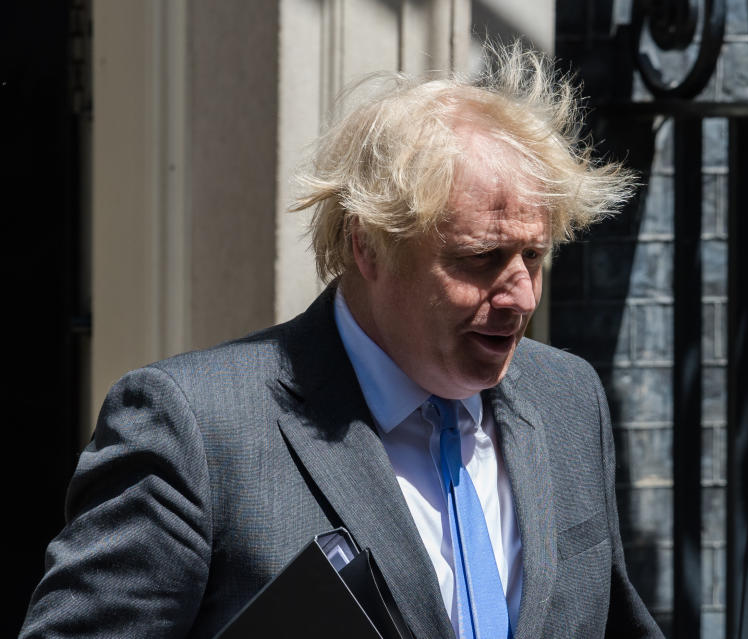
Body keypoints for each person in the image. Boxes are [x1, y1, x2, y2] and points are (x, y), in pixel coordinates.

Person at [20, 43, 664, 639]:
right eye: (480, 258)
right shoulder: (194, 428)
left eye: (534, 256)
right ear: (369, 247)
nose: (521, 295)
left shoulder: (567, 397)